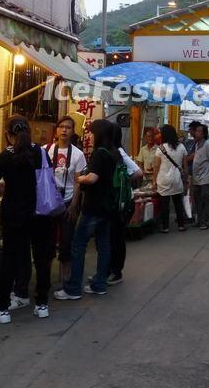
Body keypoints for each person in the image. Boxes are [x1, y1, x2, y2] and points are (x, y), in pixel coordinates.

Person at [0, 116, 55, 323]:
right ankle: (42, 305)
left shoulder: (5, 156)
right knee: (42, 260)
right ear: (29, 130)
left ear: (8, 134)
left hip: (14, 215)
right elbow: (47, 182)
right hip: (40, 214)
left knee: (10, 261)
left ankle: (3, 309)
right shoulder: (41, 153)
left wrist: (2, 187)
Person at [55, 119, 117, 300]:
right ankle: (99, 285)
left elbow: (92, 178)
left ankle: (73, 288)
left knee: (78, 244)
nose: (88, 135)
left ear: (98, 134)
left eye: (90, 132)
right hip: (107, 207)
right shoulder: (113, 153)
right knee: (104, 245)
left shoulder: (99, 154)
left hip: (94, 207)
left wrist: (79, 179)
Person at [48, 115, 87, 292]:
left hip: (68, 201)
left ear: (73, 131)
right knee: (47, 243)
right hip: (49, 204)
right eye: (61, 126)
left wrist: (74, 205)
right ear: (56, 130)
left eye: (68, 127)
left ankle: (65, 278)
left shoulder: (78, 154)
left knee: (66, 242)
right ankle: (45, 278)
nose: (64, 130)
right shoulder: (46, 150)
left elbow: (78, 181)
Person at [109, 124, 143, 285]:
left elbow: (138, 172)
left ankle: (116, 272)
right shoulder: (112, 152)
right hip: (116, 203)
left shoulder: (119, 153)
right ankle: (109, 270)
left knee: (116, 238)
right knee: (111, 238)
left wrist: (123, 180)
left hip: (121, 204)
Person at [153, 124, 189, 233]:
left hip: (163, 179)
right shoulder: (182, 147)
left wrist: (154, 181)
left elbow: (156, 167)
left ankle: (165, 227)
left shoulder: (161, 149)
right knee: (178, 203)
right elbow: (185, 166)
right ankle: (181, 225)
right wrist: (186, 178)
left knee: (165, 204)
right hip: (177, 179)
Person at [187, 123, 209, 230]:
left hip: (206, 178)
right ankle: (199, 220)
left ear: (203, 134)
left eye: (199, 131)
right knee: (198, 200)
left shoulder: (207, 145)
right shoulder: (196, 145)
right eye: (196, 131)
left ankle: (205, 221)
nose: (196, 133)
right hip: (197, 178)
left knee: (206, 200)